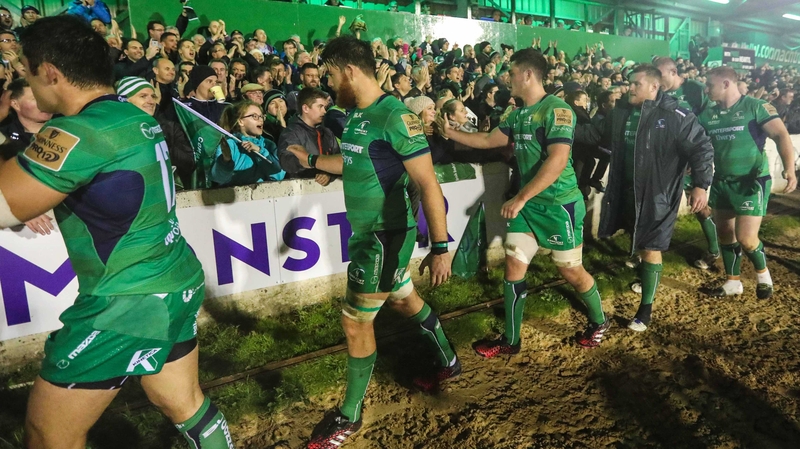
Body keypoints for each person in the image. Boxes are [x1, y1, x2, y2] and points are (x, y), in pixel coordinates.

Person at [0, 16, 234, 449]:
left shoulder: (80, 131)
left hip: (126, 300)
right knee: (180, 399)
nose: (29, 88)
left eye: (28, 76)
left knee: (48, 434)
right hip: (174, 279)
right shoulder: (128, 114)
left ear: (50, 72)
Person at [283, 36, 459, 449]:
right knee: (403, 301)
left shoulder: (395, 117)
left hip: (383, 238)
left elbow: (428, 184)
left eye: (328, 74)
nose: (327, 83)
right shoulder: (359, 116)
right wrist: (308, 160)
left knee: (355, 321)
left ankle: (350, 416)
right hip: (372, 236)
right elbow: (351, 162)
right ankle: (449, 362)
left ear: (349, 71)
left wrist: (439, 248)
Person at [437, 48, 610, 353]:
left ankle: (599, 321)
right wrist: (450, 132)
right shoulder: (518, 114)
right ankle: (511, 341)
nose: (508, 78)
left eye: (513, 73)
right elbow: (490, 141)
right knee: (513, 267)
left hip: (559, 206)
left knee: (570, 270)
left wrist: (520, 196)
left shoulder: (557, 110)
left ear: (528, 74)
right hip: (527, 206)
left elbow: (557, 161)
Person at [595, 65, 714, 331]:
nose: (630, 88)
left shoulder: (676, 115)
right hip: (626, 191)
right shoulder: (621, 112)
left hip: (658, 194)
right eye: (629, 83)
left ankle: (645, 310)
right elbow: (597, 136)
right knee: (638, 241)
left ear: (654, 86)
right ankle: (645, 279)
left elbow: (701, 147)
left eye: (636, 84)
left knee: (651, 247)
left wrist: (700, 185)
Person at [699, 66, 797, 299]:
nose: (706, 89)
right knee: (725, 232)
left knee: (746, 238)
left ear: (726, 84)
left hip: (752, 181)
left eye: (709, 85)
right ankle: (733, 282)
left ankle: (763, 277)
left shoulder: (756, 106)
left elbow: (781, 135)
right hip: (722, 181)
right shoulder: (707, 114)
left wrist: (789, 168)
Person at [655, 57, 719, 270]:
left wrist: (696, 158)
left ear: (673, 72)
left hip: (691, 159)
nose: (656, 79)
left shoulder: (695, 90)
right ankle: (648, 253)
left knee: (699, 207)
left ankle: (714, 249)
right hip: (669, 162)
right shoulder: (658, 93)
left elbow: (708, 123)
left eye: (660, 74)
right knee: (658, 207)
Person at [116, 76, 194, 188]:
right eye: (143, 96)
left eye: (153, 96)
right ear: (125, 100)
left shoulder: (169, 128)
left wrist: (162, 142)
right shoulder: (114, 132)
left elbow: (189, 164)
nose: (152, 101)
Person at [211, 101, 285, 186]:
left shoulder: (268, 144)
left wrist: (259, 151)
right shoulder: (231, 145)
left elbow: (278, 175)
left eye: (261, 116)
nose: (260, 120)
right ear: (240, 121)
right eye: (255, 116)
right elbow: (218, 178)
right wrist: (225, 161)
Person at [277, 88, 339, 185]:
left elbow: (338, 159)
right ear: (305, 108)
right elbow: (285, 161)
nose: (324, 111)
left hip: (328, 193)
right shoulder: (291, 133)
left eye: (325, 107)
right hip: (300, 190)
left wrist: (329, 174)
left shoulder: (327, 133)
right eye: (320, 107)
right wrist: (303, 160)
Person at [0, 79, 52, 157]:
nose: (45, 103)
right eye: (36, 99)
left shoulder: (66, 128)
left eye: (47, 98)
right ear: (15, 104)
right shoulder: (5, 134)